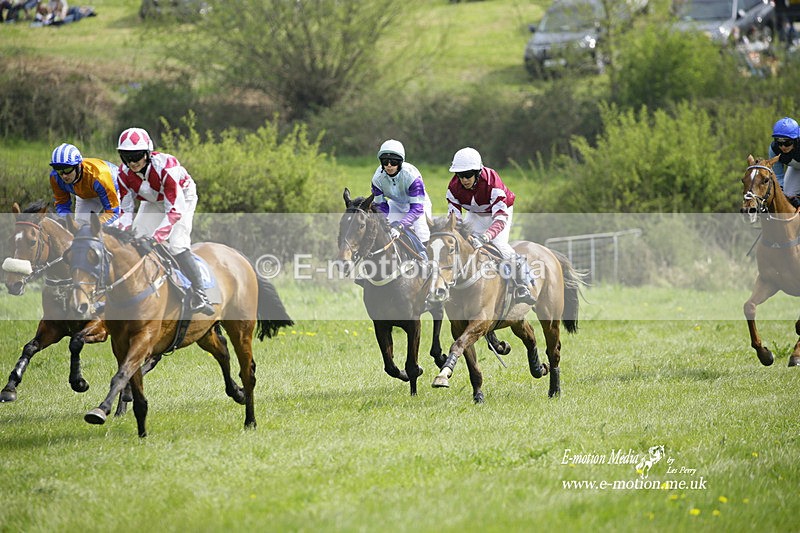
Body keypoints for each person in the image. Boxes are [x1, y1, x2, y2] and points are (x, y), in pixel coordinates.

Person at [115, 127, 214, 316]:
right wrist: (121, 234)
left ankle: (201, 294)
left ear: (147, 153)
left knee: (176, 245)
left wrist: (154, 239)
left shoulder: (166, 167)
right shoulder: (123, 174)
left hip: (181, 199)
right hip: (154, 202)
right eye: (126, 157)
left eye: (136, 156)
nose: (132, 162)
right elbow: (125, 210)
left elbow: (174, 211)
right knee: (134, 240)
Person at [445, 147, 536, 305]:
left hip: (499, 213)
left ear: (478, 172)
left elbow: (500, 218)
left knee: (499, 245)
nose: (464, 180)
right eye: (460, 175)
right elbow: (455, 219)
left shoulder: (493, 183)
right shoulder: (453, 187)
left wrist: (485, 236)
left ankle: (523, 286)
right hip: (474, 214)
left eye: (468, 175)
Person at [370, 139, 432, 256]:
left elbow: (417, 209)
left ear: (400, 162)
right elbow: (381, 206)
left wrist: (400, 225)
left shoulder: (412, 177)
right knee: (387, 230)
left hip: (418, 204)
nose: (389, 165)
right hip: (396, 204)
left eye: (393, 161)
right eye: (385, 161)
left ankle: (425, 260)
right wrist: (383, 220)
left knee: (422, 232)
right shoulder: (377, 179)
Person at [48, 142, 121, 225]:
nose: (64, 176)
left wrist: (95, 227)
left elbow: (112, 212)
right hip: (87, 194)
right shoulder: (55, 176)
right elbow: (62, 203)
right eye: (59, 169)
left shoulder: (98, 176)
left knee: (112, 225)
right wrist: (68, 223)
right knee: (80, 225)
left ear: (78, 166)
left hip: (113, 189)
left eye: (67, 169)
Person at [768, 116, 800, 194]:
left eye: (787, 143)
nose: (783, 147)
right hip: (796, 168)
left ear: (796, 140)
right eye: (779, 142)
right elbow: (778, 176)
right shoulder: (774, 149)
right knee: (788, 193)